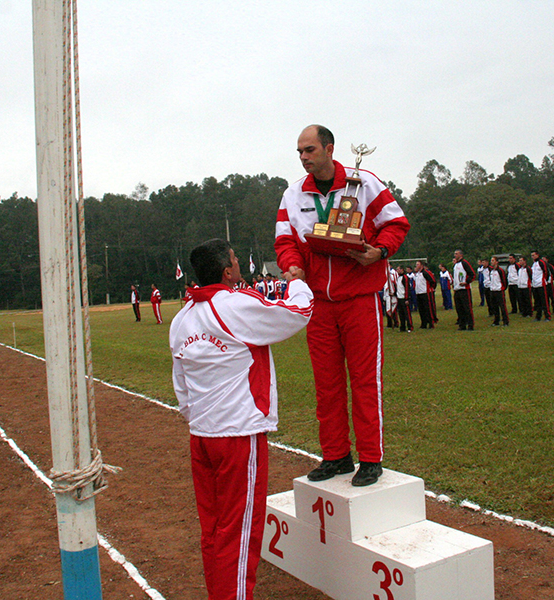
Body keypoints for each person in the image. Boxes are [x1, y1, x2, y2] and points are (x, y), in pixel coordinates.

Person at [170, 238, 313, 600]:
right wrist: (295, 279)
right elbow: (298, 312)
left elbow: (181, 388)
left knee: (214, 529)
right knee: (240, 531)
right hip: (237, 435)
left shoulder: (181, 318)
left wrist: (199, 418)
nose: (239, 264)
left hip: (201, 436)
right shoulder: (234, 305)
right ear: (227, 271)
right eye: (235, 259)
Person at [274, 124, 410, 487]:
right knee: (327, 384)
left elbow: (396, 224)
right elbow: (284, 240)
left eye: (309, 150)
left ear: (329, 149)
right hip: (318, 303)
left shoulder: (364, 184)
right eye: (299, 152)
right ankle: (335, 455)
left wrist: (378, 252)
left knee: (365, 381)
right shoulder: (292, 195)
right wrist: (292, 265)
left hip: (359, 299)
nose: (303, 157)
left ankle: (370, 459)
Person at [452, 249, 476, 330]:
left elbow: (472, 274)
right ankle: (462, 325)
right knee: (459, 308)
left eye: (456, 254)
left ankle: (470, 324)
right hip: (457, 289)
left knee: (467, 307)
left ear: (461, 255)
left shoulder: (464, 263)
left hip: (464, 289)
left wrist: (466, 282)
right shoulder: (455, 265)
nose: (455, 255)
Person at [487, 256, 509, 327]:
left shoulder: (500, 270)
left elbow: (504, 280)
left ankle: (505, 321)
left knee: (502, 307)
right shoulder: (491, 271)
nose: (492, 262)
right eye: (491, 260)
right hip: (492, 290)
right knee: (494, 307)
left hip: (499, 291)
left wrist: (502, 288)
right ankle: (496, 321)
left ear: (497, 262)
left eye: (493, 260)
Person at [530, 251, 551, 321]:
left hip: (541, 284)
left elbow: (546, 272)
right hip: (535, 285)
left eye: (534, 255)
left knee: (544, 301)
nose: (532, 257)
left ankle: (547, 316)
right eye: (531, 255)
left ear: (537, 255)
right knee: (537, 302)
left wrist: (545, 280)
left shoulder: (541, 262)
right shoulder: (533, 264)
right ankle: (538, 316)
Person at [414, 260, 433, 329]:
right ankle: (423, 323)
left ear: (421, 265)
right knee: (421, 309)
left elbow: (431, 281)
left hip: (424, 293)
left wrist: (430, 289)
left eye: (418, 264)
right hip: (418, 293)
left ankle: (431, 323)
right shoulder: (417, 274)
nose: (416, 266)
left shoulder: (424, 273)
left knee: (427, 309)